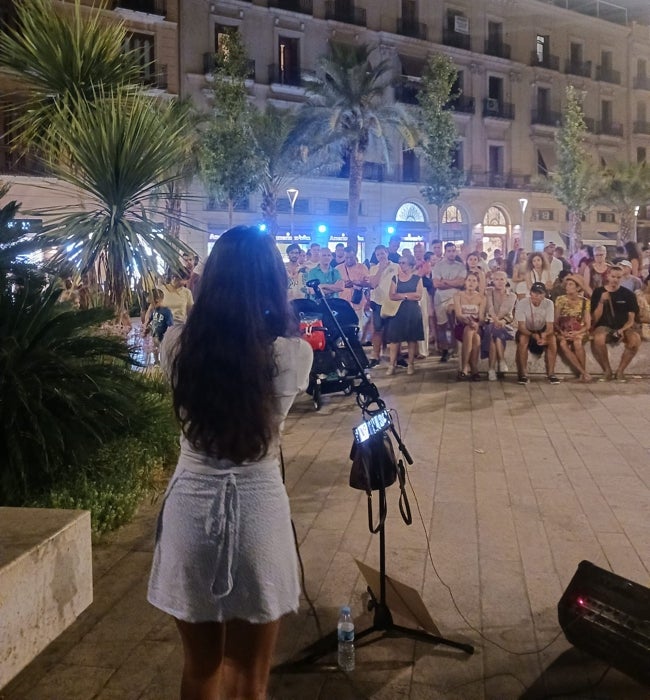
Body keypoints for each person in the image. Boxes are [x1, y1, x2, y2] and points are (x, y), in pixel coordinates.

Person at [147, 225, 312, 700]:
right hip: (260, 512)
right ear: (273, 283)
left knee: (200, 668)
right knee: (248, 677)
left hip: (191, 510)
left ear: (210, 280)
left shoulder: (175, 346)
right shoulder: (293, 354)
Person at [590, 265, 641, 381]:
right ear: (608, 276)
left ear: (622, 278)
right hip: (604, 325)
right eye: (613, 276)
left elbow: (631, 320)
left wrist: (622, 330)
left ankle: (620, 371)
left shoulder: (628, 294)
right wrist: (602, 302)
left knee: (635, 340)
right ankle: (607, 370)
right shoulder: (598, 292)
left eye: (618, 277)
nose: (615, 280)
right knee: (598, 339)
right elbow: (595, 318)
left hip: (623, 326)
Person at [514, 282, 560, 385]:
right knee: (523, 339)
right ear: (530, 293)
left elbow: (550, 327)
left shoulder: (549, 304)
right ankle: (523, 374)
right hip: (527, 329)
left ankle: (551, 373)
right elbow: (521, 326)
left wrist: (544, 335)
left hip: (541, 329)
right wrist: (533, 335)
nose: (537, 296)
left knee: (552, 339)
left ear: (544, 294)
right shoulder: (523, 303)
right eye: (534, 293)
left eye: (540, 294)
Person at [385, 256, 424, 376]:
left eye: (404, 263)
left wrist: (401, 295)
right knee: (394, 339)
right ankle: (392, 365)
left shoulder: (417, 278)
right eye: (400, 262)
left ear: (411, 265)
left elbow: (418, 295)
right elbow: (392, 295)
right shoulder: (395, 278)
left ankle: (411, 364)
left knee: (411, 339)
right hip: (398, 311)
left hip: (412, 311)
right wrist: (407, 296)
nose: (401, 265)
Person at [432, 242, 466, 362]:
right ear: (445, 252)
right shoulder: (438, 266)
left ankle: (454, 347)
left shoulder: (460, 266)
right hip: (440, 298)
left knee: (454, 322)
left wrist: (445, 281)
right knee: (441, 325)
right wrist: (453, 282)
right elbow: (436, 284)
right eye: (449, 251)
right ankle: (444, 349)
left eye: (453, 251)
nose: (451, 253)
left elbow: (461, 283)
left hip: (454, 297)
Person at [554, 274, 592, 382]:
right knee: (562, 344)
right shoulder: (560, 300)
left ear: (578, 288)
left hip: (579, 329)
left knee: (577, 342)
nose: (567, 286)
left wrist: (577, 332)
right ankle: (583, 372)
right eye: (567, 284)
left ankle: (582, 374)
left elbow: (588, 324)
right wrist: (563, 332)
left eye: (570, 284)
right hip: (563, 329)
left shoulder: (585, 302)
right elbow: (555, 321)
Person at [367, 244, 399, 367]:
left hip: (392, 302)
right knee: (377, 329)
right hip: (378, 302)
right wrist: (381, 269)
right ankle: (375, 355)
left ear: (387, 253)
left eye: (382, 253)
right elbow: (373, 284)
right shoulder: (374, 268)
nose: (381, 256)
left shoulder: (396, 267)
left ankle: (396, 356)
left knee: (394, 330)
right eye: (378, 254)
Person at [482, 271, 516, 381]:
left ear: (506, 281)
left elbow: (508, 313)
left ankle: (491, 369)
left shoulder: (512, 296)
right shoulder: (489, 292)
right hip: (491, 322)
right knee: (494, 331)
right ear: (493, 281)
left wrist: (501, 322)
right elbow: (490, 308)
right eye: (497, 279)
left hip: (505, 324)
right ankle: (501, 361)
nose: (500, 282)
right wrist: (496, 320)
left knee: (494, 333)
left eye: (502, 279)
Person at [453, 272, 486, 381]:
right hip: (461, 325)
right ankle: (473, 369)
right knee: (471, 333)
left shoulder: (481, 298)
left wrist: (477, 323)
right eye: (469, 280)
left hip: (476, 325)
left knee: (473, 332)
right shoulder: (458, 295)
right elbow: (458, 315)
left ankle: (464, 369)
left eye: (474, 281)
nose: (471, 283)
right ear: (465, 282)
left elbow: (481, 318)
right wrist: (467, 322)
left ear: (477, 284)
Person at [336, 247, 369, 329]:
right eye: (347, 258)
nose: (349, 260)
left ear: (355, 256)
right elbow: (334, 285)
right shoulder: (337, 269)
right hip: (342, 303)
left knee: (358, 326)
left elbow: (368, 283)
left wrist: (357, 283)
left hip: (358, 302)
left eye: (351, 257)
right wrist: (344, 284)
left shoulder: (362, 267)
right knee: (343, 326)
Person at [146, 288, 174, 365]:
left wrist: (168, 335)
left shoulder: (166, 311)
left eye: (152, 303)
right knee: (155, 349)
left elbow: (171, 324)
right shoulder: (155, 310)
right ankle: (156, 362)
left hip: (162, 336)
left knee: (162, 350)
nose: (151, 306)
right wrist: (146, 325)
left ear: (157, 300)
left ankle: (163, 364)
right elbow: (150, 318)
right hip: (154, 334)